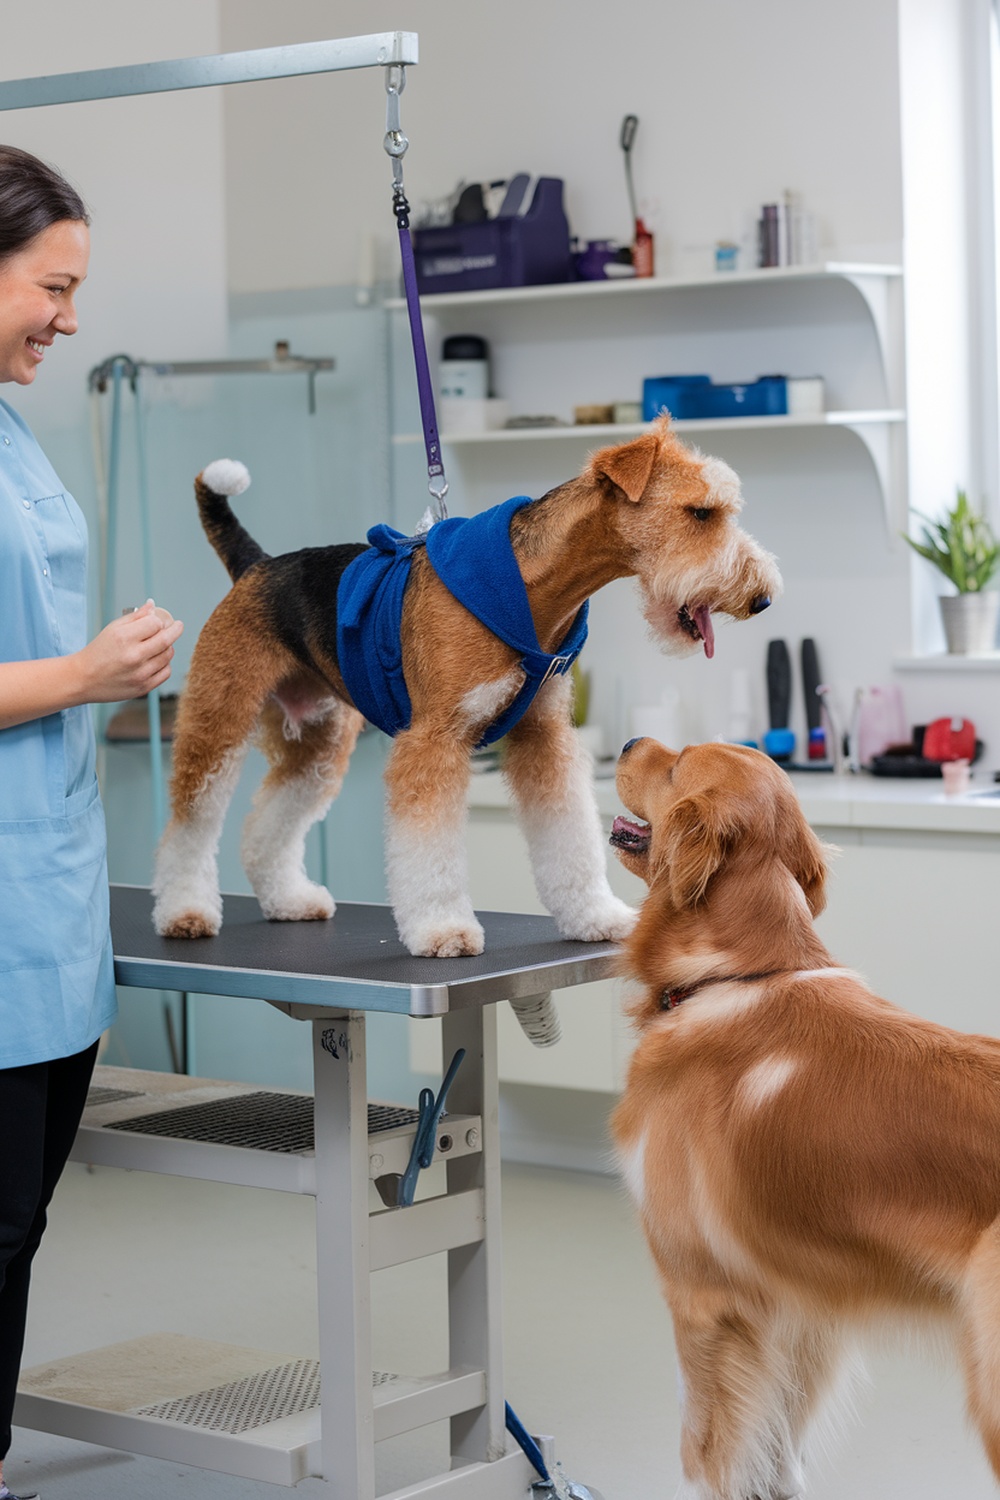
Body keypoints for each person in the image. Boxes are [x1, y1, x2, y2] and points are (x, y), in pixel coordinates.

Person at [0, 145, 183, 1500]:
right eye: (52, 286)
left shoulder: (13, 428)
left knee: (16, 1231)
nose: (69, 317)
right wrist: (89, 674)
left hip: (41, 913)